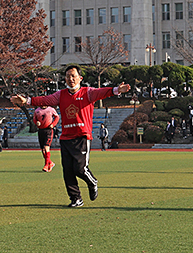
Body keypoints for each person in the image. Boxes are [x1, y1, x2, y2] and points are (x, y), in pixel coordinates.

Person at [12, 65, 130, 207]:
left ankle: (93, 182)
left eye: (73, 76)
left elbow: (102, 92)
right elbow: (46, 100)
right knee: (68, 171)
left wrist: (117, 90)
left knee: (80, 169)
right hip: (66, 137)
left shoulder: (88, 93)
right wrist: (27, 101)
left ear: (80, 78)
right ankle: (76, 199)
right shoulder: (60, 95)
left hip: (82, 136)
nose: (71, 79)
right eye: (68, 76)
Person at [33, 106, 60, 172]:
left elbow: (57, 117)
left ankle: (46, 165)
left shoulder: (51, 109)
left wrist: (53, 124)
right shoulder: (37, 110)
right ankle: (50, 163)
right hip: (41, 130)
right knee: (43, 150)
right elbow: (34, 118)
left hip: (48, 130)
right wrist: (36, 122)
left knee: (46, 147)